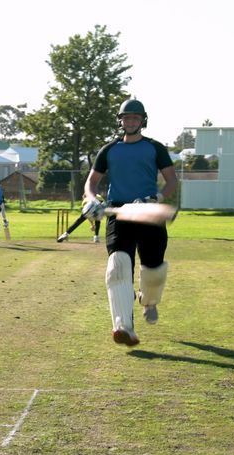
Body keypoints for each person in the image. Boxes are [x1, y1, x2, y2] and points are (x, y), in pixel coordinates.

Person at [83, 98, 178, 347]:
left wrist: (156, 197)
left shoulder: (155, 148)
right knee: (118, 266)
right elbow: (91, 182)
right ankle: (123, 327)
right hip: (119, 213)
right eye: (127, 117)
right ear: (121, 121)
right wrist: (92, 200)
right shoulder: (109, 150)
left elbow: (171, 182)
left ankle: (150, 301)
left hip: (148, 211)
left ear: (142, 121)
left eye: (135, 118)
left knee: (154, 268)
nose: (131, 121)